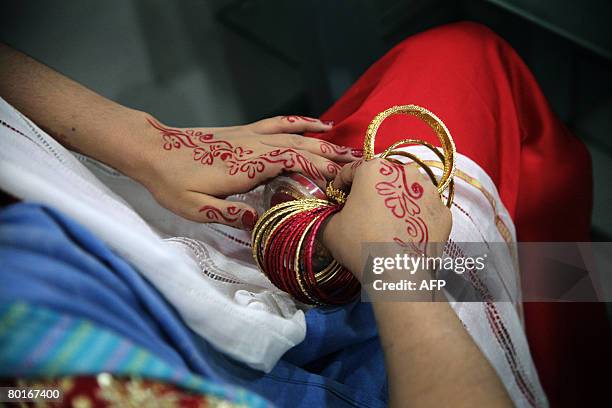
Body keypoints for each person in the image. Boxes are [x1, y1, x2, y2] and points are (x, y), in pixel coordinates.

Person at [0, 21, 606, 407]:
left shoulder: (33, 379)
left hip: (170, 256)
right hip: (398, 341)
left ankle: (574, 315)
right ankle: (575, 330)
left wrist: (143, 140)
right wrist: (395, 266)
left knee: (456, 56)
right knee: (477, 75)